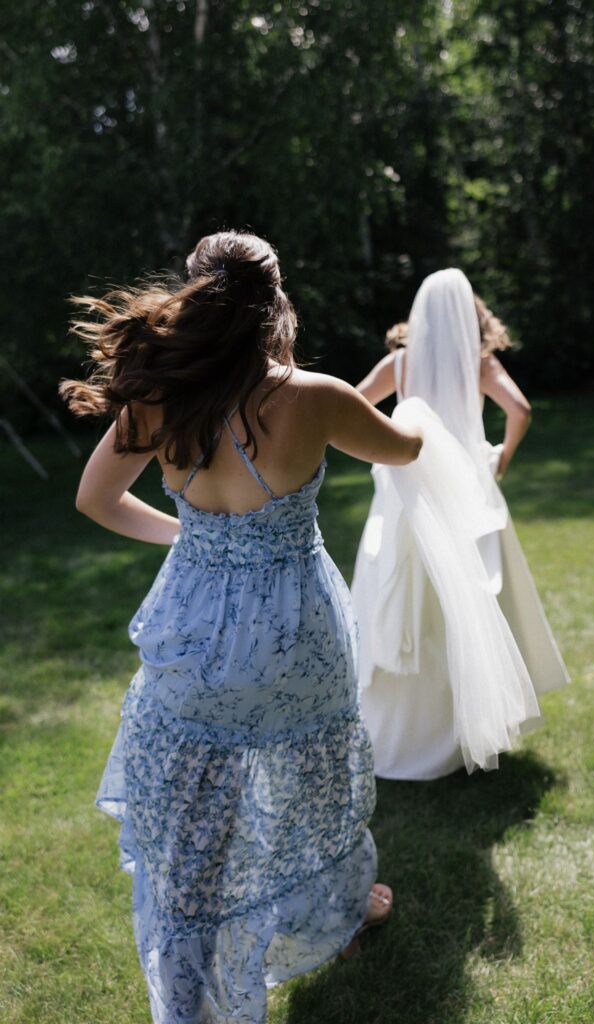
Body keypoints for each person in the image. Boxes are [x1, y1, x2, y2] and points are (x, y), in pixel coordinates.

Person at [60, 230, 422, 1024]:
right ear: (277, 302)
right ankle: (339, 911)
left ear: (195, 297)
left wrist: (189, 535)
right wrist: (418, 402)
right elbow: (404, 448)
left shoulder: (160, 395)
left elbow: (95, 500)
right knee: (308, 784)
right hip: (296, 628)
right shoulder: (315, 394)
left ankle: (190, 988)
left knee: (192, 818)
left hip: (193, 623)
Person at [352, 268, 569, 780]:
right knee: (471, 610)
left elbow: (354, 408)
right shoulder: (478, 363)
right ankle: (464, 727)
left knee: (408, 606)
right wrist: (500, 460)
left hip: (407, 499)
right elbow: (520, 409)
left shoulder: (400, 364)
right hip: (468, 498)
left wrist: (391, 454)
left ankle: (402, 731)